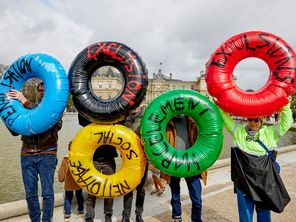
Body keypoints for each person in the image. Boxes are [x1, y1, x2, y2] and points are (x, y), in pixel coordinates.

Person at [217, 101, 293, 222]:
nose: (252, 123)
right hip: (244, 182)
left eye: (256, 120)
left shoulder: (270, 133)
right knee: (245, 215)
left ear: (262, 120)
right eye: (250, 120)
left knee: (264, 215)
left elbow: (286, 122)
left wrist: (285, 104)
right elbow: (226, 119)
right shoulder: (239, 131)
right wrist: (220, 104)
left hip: (264, 183)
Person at [7, 82, 62, 222]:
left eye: (45, 90)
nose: (42, 92)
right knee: (30, 193)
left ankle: (46, 220)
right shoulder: (26, 108)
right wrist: (6, 112)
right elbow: (14, 132)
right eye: (40, 90)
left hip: (47, 153)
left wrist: (25, 101)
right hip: (27, 153)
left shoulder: (56, 106)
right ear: (37, 92)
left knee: (47, 193)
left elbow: (50, 121)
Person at [165, 115, 207, 222]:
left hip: (191, 162)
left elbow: (204, 137)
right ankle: (177, 217)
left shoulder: (192, 121)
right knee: (175, 196)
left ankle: (196, 219)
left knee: (197, 198)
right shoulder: (167, 123)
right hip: (173, 162)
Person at [78, 114, 118, 222]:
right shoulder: (91, 122)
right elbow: (81, 119)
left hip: (109, 159)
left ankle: (108, 214)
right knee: (91, 189)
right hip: (94, 159)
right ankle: (90, 215)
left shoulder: (113, 119)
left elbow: (122, 121)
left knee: (109, 190)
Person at [121, 106, 149, 222]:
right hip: (128, 159)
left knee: (141, 189)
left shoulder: (145, 116)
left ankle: (138, 214)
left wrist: (145, 142)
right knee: (128, 188)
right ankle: (126, 216)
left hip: (142, 157)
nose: (132, 107)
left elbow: (152, 135)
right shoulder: (124, 117)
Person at [58, 142, 84, 221]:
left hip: (68, 182)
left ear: (68, 148)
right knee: (79, 196)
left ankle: (67, 214)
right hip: (78, 181)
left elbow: (61, 171)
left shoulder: (65, 159)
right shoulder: (79, 158)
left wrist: (61, 179)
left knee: (68, 198)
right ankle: (80, 210)